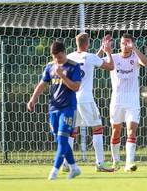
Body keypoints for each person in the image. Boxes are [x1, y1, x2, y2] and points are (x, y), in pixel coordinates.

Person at [27, 41, 82, 180]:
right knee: (60, 140)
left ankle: (54, 171)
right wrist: (33, 99)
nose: (57, 60)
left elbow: (76, 87)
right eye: (54, 57)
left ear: (64, 52)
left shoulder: (74, 67)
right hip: (53, 108)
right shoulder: (50, 67)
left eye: (59, 57)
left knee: (63, 140)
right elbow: (42, 84)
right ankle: (74, 168)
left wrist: (63, 76)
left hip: (68, 108)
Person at [65, 32, 115, 172]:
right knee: (97, 128)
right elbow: (110, 66)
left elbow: (90, 62)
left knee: (72, 131)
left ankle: (65, 163)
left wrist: (100, 50)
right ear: (87, 44)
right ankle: (100, 164)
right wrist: (108, 52)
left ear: (77, 43)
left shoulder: (69, 57)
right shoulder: (91, 57)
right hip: (86, 99)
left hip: (72, 98)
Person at [104, 34, 147, 171]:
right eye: (123, 43)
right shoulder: (114, 58)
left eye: (127, 43)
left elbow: (146, 63)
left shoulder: (135, 57)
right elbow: (96, 62)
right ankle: (116, 162)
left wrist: (135, 49)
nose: (125, 45)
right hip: (117, 101)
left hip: (132, 101)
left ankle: (129, 163)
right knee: (116, 131)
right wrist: (105, 51)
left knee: (131, 131)